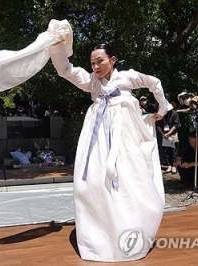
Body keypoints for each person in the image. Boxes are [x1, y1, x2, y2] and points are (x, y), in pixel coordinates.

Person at [49, 42, 172, 262]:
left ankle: (130, 229)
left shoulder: (127, 77)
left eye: (100, 61)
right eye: (92, 62)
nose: (95, 66)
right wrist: (57, 46)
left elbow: (154, 82)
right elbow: (65, 70)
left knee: (129, 180)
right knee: (94, 183)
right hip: (97, 139)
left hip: (124, 137)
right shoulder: (91, 81)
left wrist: (162, 109)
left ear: (112, 60)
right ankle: (100, 236)